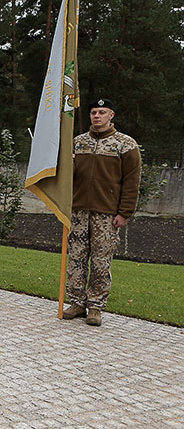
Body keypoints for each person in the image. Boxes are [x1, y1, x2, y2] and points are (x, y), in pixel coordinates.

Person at [62, 98, 141, 326]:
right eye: (94, 112)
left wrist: (125, 212)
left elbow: (131, 182)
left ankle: (95, 306)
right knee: (76, 258)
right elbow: (67, 177)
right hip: (78, 211)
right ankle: (77, 301)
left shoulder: (125, 145)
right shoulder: (77, 143)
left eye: (102, 112)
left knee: (101, 261)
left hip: (106, 214)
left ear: (111, 115)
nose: (97, 116)